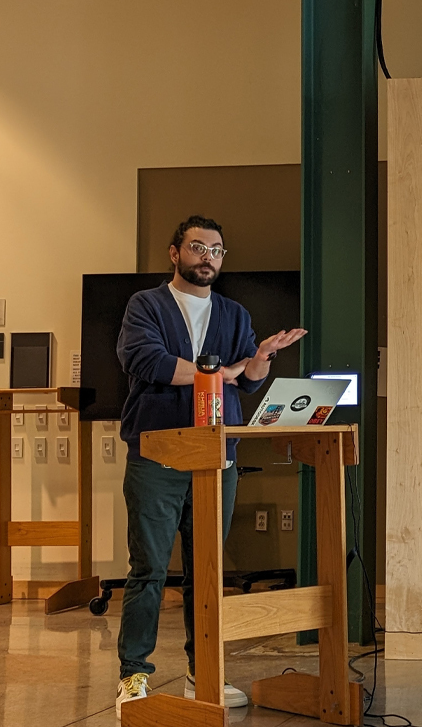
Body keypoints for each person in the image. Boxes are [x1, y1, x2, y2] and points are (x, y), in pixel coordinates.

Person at [113, 215, 307, 717]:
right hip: (158, 454)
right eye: (198, 247)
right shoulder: (146, 306)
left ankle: (205, 674)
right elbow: (147, 362)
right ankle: (134, 675)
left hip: (218, 458)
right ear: (175, 253)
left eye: (217, 251)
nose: (209, 258)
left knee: (208, 571)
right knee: (150, 569)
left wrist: (262, 356)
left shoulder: (234, 313)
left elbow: (248, 380)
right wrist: (219, 373)